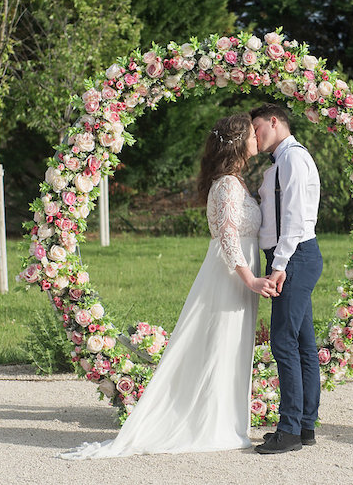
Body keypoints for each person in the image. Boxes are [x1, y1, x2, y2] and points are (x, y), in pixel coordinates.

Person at [60, 113, 276, 459]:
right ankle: (213, 423)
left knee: (233, 345)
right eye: (252, 135)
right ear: (238, 143)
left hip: (240, 276)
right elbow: (227, 236)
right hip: (230, 276)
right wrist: (250, 278)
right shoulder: (225, 185)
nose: (256, 139)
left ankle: (226, 419)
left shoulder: (237, 182)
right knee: (220, 343)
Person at [250, 103, 323, 455]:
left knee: (283, 341)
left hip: (292, 256)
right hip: (294, 256)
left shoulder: (292, 158)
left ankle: (290, 428)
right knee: (303, 344)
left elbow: (293, 217)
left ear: (274, 121)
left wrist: (279, 265)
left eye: (257, 126)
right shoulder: (284, 160)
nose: (255, 134)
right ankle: (305, 426)